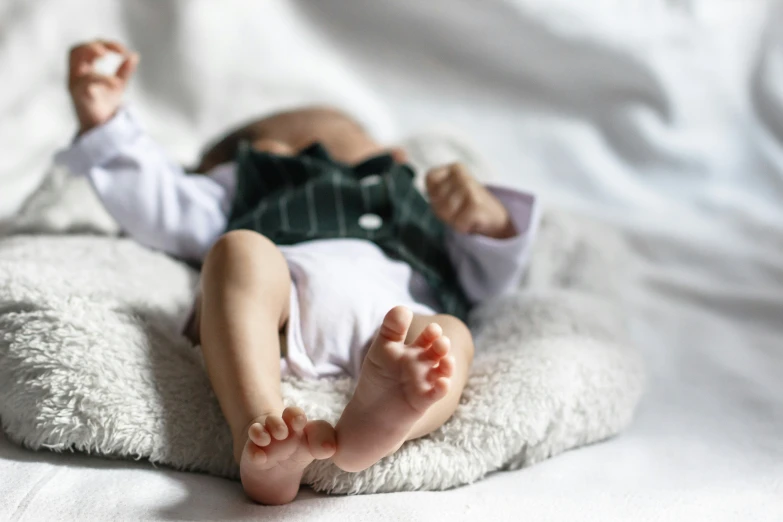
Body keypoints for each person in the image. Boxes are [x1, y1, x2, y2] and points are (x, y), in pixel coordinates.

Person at [55, 40, 540, 505]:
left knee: (446, 340)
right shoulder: (251, 181)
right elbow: (162, 205)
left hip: (398, 319)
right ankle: (259, 427)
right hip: (286, 298)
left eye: (375, 147)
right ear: (271, 151)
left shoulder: (417, 199)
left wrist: (487, 221)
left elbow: (485, 283)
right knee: (239, 251)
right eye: (333, 140)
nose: (385, 154)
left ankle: (378, 425)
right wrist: (106, 125)